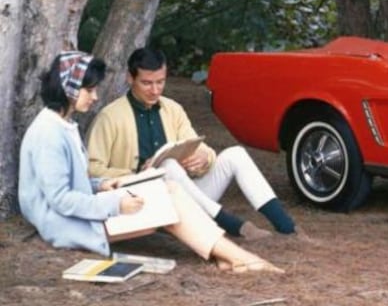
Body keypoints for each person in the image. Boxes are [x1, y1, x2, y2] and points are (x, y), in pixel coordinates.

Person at [18, 51, 281, 273]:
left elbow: (79, 182)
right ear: (69, 89)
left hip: (93, 208)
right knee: (167, 195)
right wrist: (116, 201)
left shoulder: (64, 124)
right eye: (89, 90)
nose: (95, 96)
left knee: (170, 189)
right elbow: (60, 200)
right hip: (69, 224)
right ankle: (236, 257)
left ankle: (229, 257)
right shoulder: (49, 133)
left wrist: (104, 184)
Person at [86, 47, 296, 238]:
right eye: (147, 83)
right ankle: (230, 224)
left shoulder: (173, 109)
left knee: (235, 154)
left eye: (161, 82)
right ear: (130, 79)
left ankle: (286, 226)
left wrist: (204, 157)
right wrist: (136, 173)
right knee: (167, 167)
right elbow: (92, 170)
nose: (155, 90)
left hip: (185, 198)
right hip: (140, 202)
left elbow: (198, 146)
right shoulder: (110, 116)